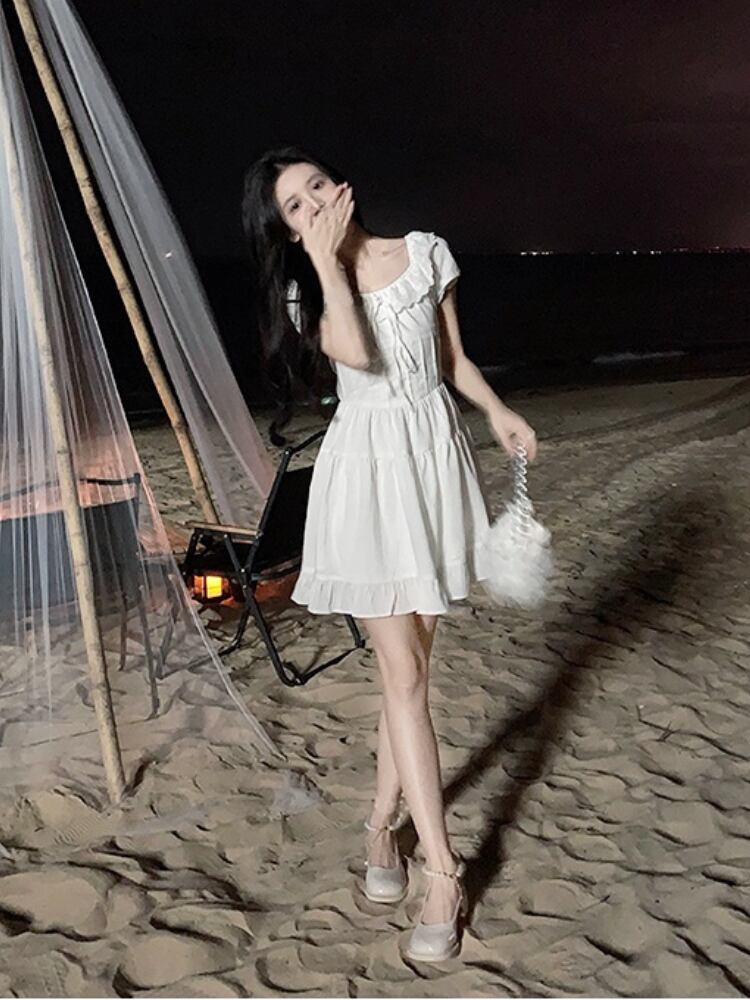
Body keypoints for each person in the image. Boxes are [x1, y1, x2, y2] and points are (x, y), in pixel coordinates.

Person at [242, 147, 537, 962]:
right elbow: (356, 355)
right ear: (287, 230)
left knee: (409, 675)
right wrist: (323, 261)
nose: (311, 205)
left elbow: (451, 361)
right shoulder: (307, 293)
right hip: (366, 476)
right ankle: (443, 871)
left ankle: (379, 827)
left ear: (342, 186)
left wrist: (499, 413)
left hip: (433, 464)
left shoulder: (425, 251)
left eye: (315, 188)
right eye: (293, 207)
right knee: (403, 673)